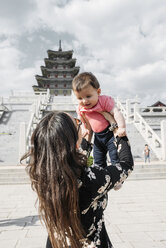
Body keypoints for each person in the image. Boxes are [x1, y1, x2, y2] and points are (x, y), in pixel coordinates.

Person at [21, 111, 134, 248]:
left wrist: (86, 136)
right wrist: (118, 132)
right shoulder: (91, 179)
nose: (79, 122)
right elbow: (126, 165)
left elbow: (70, 162)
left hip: (57, 242)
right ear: (73, 142)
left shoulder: (42, 175)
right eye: (76, 122)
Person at [72, 72, 126, 190]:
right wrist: (85, 130)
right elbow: (83, 122)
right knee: (98, 159)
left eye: (88, 96)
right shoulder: (81, 108)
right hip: (98, 137)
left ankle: (117, 179)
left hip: (110, 133)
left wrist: (121, 127)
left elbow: (116, 112)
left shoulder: (104, 101)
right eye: (80, 98)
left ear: (98, 92)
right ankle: (101, 178)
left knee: (114, 156)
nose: (85, 101)